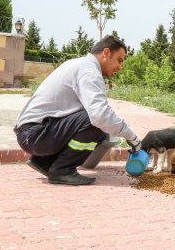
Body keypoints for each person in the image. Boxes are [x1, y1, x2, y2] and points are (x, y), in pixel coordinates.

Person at [14, 35, 141, 185]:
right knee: (95, 122)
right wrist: (132, 137)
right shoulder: (89, 72)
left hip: (33, 132)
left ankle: (45, 161)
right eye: (119, 60)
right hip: (35, 135)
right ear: (106, 53)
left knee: (99, 125)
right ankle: (62, 170)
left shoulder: (79, 64)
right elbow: (100, 115)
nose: (120, 67)